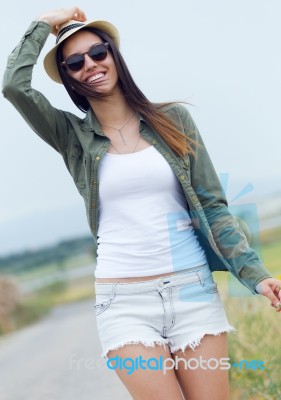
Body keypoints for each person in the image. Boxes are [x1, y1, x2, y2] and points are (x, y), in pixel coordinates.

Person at [2, 6, 281, 400]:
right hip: (124, 301)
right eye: (75, 62)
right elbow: (14, 87)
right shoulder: (71, 136)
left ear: (114, 54)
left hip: (192, 292)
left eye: (98, 53)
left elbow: (213, 207)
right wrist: (45, 24)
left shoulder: (174, 120)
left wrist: (256, 275)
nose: (90, 65)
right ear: (68, 78)